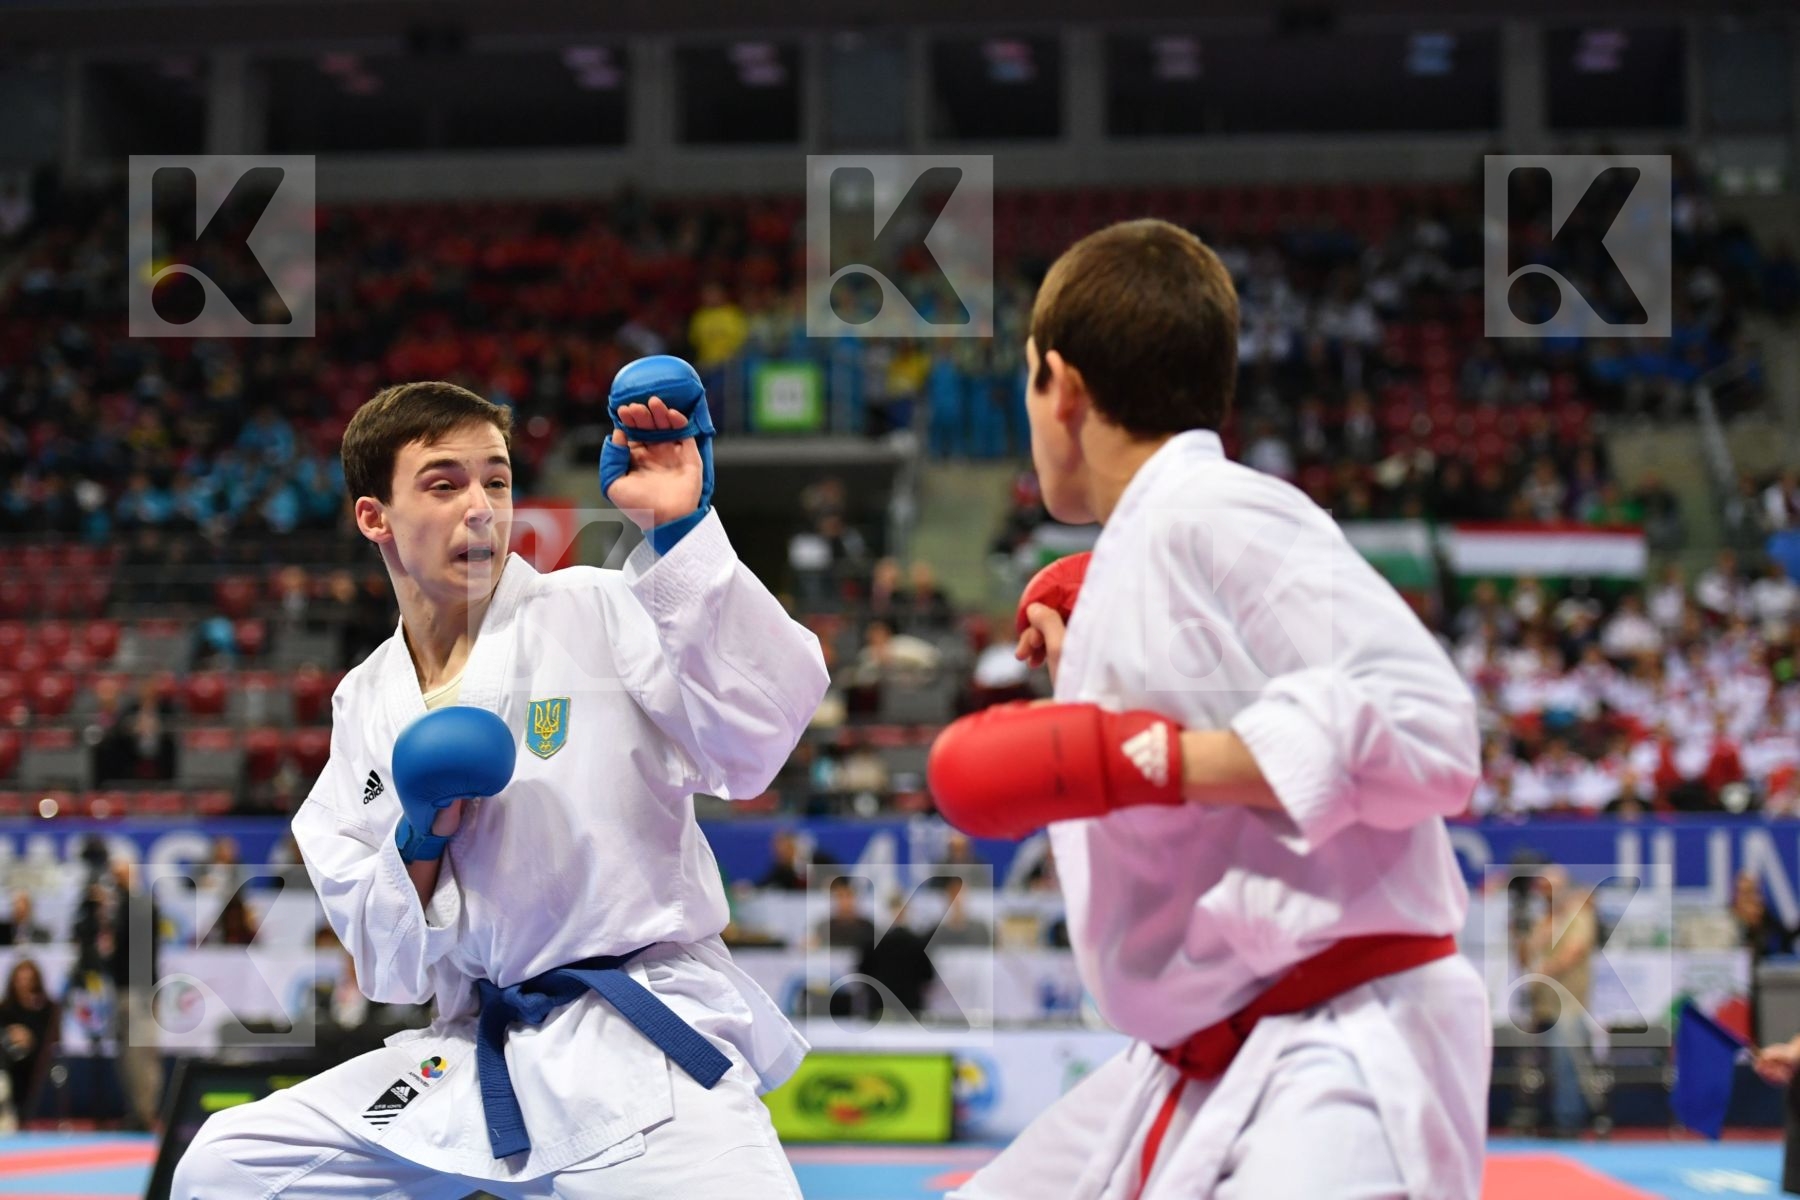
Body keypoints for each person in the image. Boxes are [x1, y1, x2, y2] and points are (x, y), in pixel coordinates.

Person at [926, 220, 1489, 1199]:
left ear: (1061, 387)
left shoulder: (1216, 510)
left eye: (1026, 384)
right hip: (1199, 1057)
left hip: (1337, 1054)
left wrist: (1149, 754)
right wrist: (1097, 677)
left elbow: (1432, 729)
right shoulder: (1162, 539)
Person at [174, 366, 829, 1197]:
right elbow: (388, 966)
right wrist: (420, 837)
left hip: (636, 1033)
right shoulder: (366, 701)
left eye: (496, 480)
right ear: (374, 516)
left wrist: (680, 533)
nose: (480, 507)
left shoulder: (594, 609)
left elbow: (756, 740)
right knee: (232, 1166)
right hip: (473, 1054)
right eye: (443, 485)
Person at [0, 959, 56, 1123]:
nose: (24, 984)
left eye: (29, 979)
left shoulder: (47, 1008)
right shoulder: (5, 1008)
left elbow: (49, 1036)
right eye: (21, 979)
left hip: (37, 1058)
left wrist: (29, 1038)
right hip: (9, 1057)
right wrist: (10, 1034)